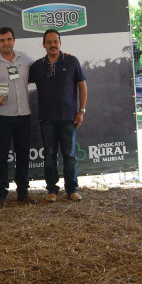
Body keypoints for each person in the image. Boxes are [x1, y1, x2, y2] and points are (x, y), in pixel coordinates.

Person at [0, 26, 36, 208]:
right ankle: (2, 194)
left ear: (14, 40)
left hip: (23, 115)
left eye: (9, 39)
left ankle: (23, 192)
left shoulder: (25, 59)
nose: (6, 43)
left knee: (23, 155)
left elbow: (40, 71)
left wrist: (61, 57)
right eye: (2, 40)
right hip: (1, 117)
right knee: (1, 156)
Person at [28, 29, 87, 202]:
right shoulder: (37, 66)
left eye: (55, 41)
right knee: (49, 156)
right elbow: (20, 81)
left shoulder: (72, 61)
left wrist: (82, 111)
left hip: (69, 118)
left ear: (60, 43)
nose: (52, 45)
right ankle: (52, 191)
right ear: (44, 45)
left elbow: (82, 86)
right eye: (49, 42)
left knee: (70, 155)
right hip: (46, 118)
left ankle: (72, 189)